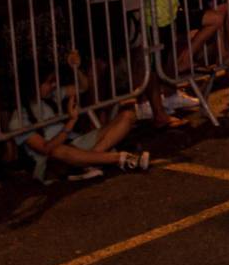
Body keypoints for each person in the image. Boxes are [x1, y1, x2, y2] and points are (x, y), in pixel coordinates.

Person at [8, 50, 148, 182]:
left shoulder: (51, 96)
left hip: (76, 143)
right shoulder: (18, 119)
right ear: (33, 84)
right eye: (49, 82)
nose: (54, 84)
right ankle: (119, 158)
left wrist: (76, 68)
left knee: (127, 116)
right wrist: (71, 121)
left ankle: (88, 163)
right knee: (56, 150)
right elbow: (45, 148)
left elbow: (83, 87)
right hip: (52, 162)